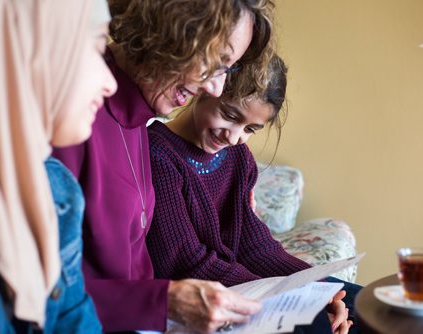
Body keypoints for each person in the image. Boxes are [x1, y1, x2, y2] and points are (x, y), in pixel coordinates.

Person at [52, 0, 275, 332]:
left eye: (226, 69)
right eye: (215, 62)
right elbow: (40, 295)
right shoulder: (73, 113)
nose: (215, 88)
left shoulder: (140, 120)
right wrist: (164, 301)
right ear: (170, 29)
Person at [146, 55, 359, 334]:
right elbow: (186, 263)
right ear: (206, 88)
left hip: (240, 284)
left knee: (365, 304)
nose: (233, 138)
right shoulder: (158, 154)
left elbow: (254, 245)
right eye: (230, 116)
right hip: (200, 291)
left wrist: (315, 287)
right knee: (318, 323)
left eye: (249, 129)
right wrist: (291, 298)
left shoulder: (237, 157)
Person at [0, 0, 117, 332]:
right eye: (98, 47)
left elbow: (75, 317)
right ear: (33, 47)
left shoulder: (57, 188)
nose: (111, 84)